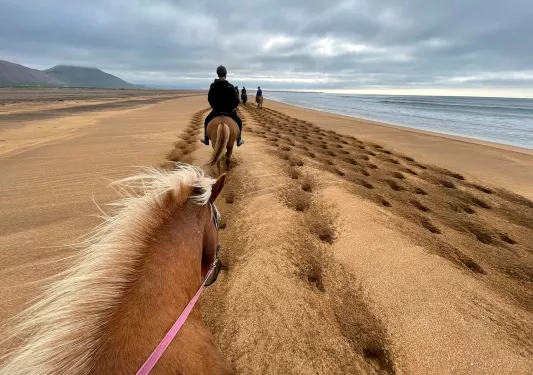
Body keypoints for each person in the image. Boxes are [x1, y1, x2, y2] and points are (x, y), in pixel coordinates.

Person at [201, 65, 244, 147]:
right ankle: (238, 140)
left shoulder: (213, 85)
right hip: (229, 111)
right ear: (225, 74)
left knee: (206, 120)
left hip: (216, 110)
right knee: (239, 122)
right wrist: (233, 108)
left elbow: (210, 98)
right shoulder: (230, 86)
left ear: (217, 74)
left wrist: (214, 106)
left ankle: (206, 139)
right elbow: (236, 100)